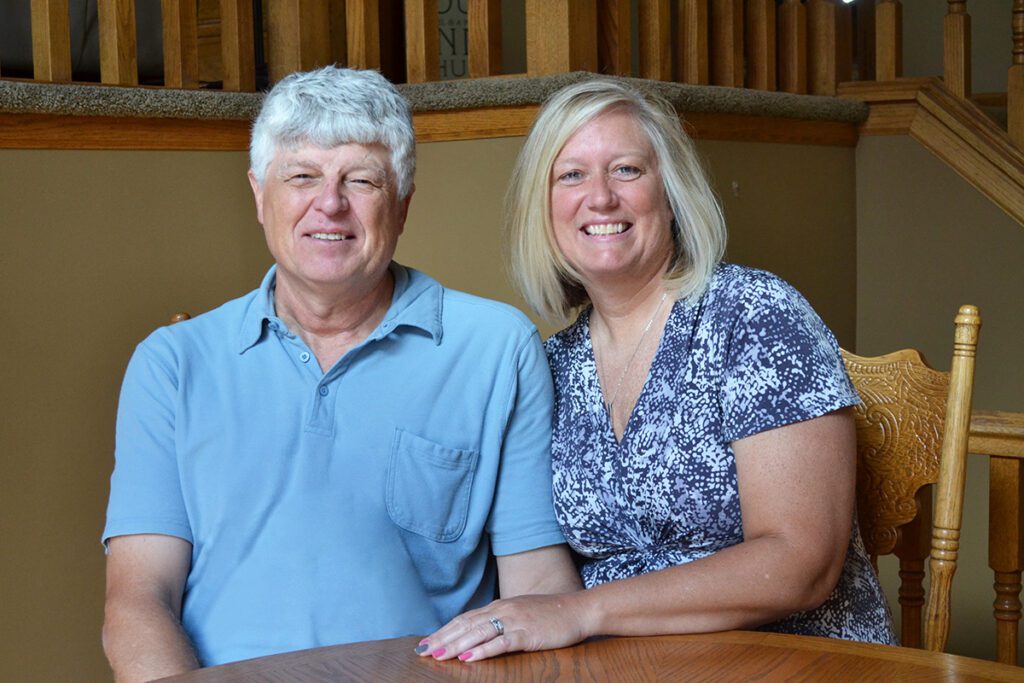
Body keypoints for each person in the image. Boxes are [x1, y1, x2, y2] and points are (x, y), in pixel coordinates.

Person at [101, 65, 580, 682]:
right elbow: (139, 600)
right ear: (258, 195)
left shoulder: (496, 348)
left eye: (361, 179)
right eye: (301, 176)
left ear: (403, 204)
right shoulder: (172, 363)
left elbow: (537, 584)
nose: (329, 203)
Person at [418, 78, 896, 663]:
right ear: (541, 211)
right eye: (571, 175)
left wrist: (579, 611)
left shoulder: (753, 315)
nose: (599, 198)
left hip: (795, 663)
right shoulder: (549, 365)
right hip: (626, 669)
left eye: (626, 169)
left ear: (671, 192)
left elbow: (802, 563)